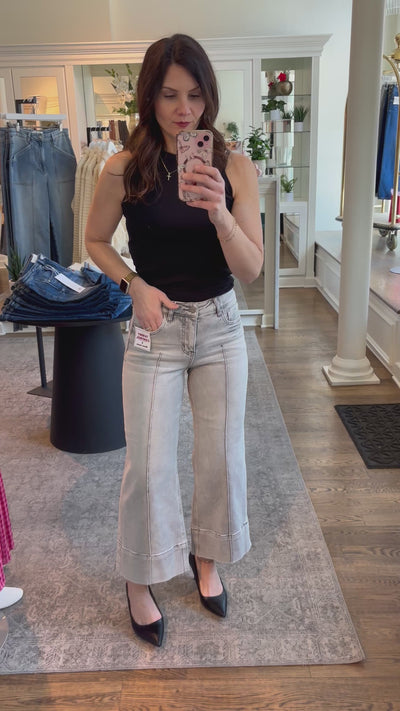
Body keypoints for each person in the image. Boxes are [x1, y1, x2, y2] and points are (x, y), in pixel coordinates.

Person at [85, 33, 263, 648]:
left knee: (221, 455)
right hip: (152, 326)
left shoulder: (234, 166)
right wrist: (132, 284)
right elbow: (96, 240)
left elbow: (251, 269)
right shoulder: (123, 167)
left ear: (208, 96)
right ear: (149, 97)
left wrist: (219, 212)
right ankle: (140, 578)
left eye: (194, 95)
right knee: (148, 463)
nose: (183, 110)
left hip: (220, 325)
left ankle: (204, 559)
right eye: (168, 95)